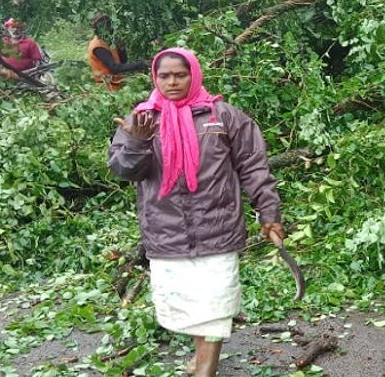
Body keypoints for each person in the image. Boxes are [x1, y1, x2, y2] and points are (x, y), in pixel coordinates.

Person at [107, 48, 283, 377]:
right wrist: (137, 142)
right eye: (165, 76)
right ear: (154, 79)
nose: (172, 82)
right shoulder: (141, 119)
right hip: (166, 232)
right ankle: (200, 355)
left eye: (180, 75)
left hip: (218, 228)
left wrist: (268, 212)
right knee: (186, 306)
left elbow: (254, 167)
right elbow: (122, 170)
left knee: (215, 304)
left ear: (194, 75)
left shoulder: (224, 116)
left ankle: (206, 369)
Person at [88, 12, 148, 91]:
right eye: (102, 25)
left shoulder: (109, 41)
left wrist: (121, 48)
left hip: (117, 84)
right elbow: (114, 68)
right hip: (106, 88)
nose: (106, 26)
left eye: (107, 23)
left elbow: (122, 61)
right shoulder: (98, 46)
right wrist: (140, 65)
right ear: (96, 28)